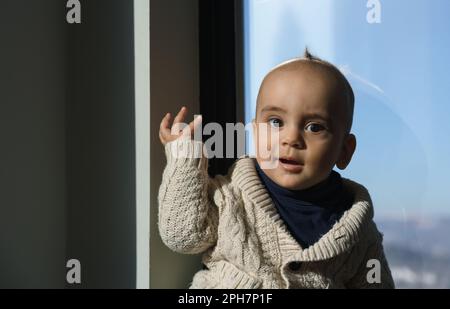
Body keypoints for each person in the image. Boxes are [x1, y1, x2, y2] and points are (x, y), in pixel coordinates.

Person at [157, 48, 395, 289]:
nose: (291, 138)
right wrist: (184, 156)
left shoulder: (359, 232)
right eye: (275, 122)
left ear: (344, 151)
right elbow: (183, 236)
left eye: (314, 127)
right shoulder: (230, 194)